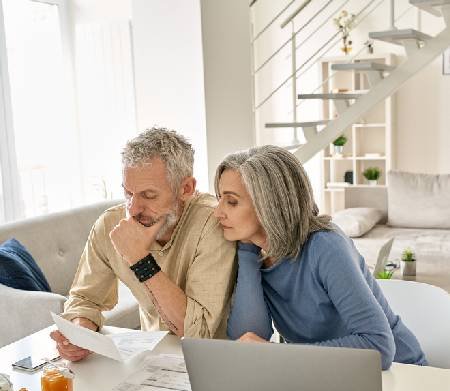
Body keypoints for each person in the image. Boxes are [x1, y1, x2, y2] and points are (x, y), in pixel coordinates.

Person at [214, 145, 426, 370]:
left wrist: (276, 353)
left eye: (232, 201)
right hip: (327, 375)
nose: (217, 212)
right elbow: (247, 339)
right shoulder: (255, 252)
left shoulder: (325, 246)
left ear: (269, 205)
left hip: (400, 374)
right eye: (219, 199)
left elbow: (378, 347)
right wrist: (247, 253)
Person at [51, 127, 236, 361]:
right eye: (128, 193)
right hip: (152, 361)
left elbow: (196, 332)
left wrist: (140, 260)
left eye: (149, 195)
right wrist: (80, 332)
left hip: (213, 362)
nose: (133, 208)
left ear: (186, 189)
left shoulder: (214, 223)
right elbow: (85, 299)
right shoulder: (110, 224)